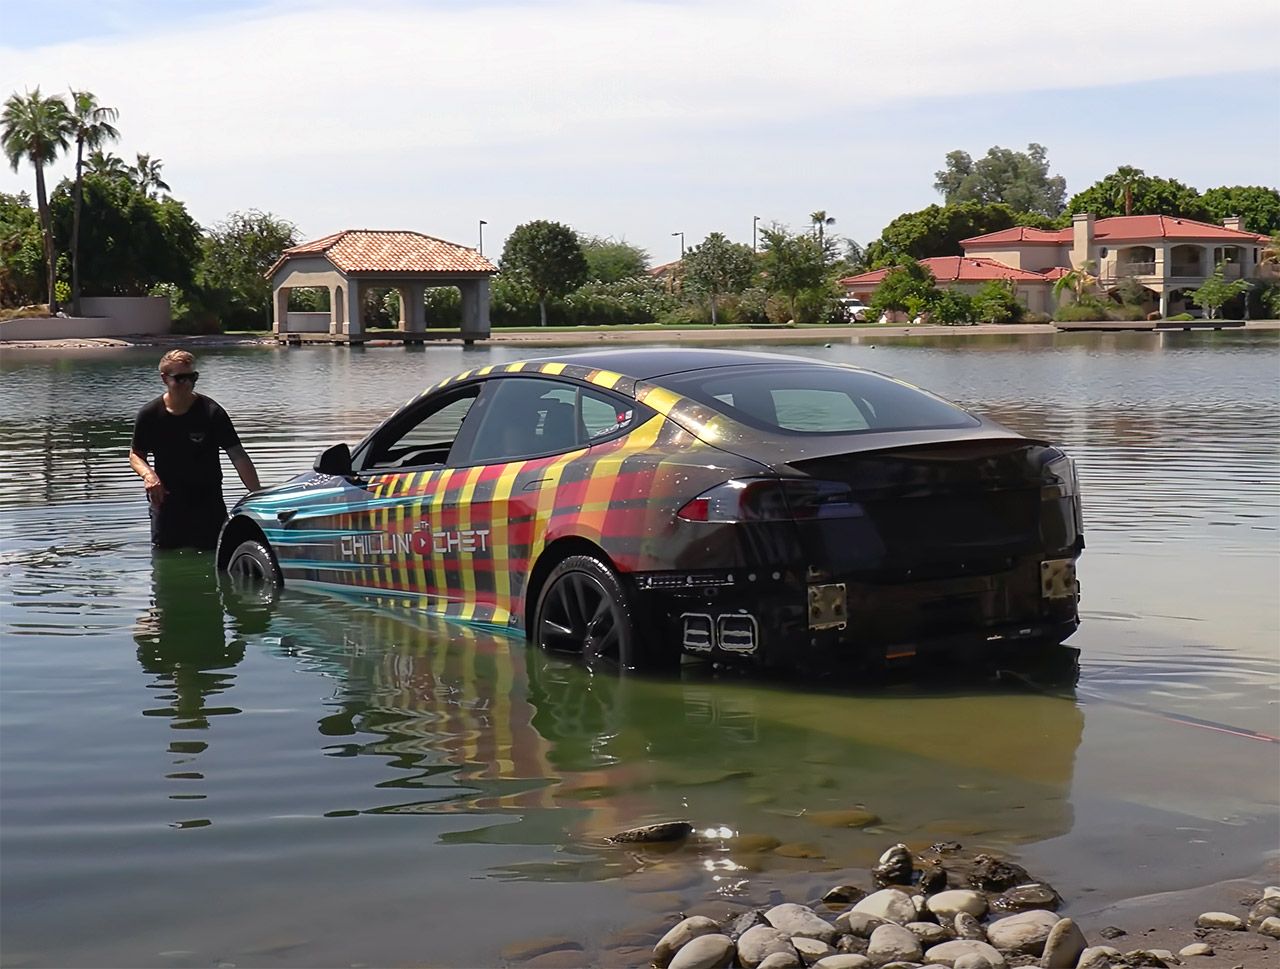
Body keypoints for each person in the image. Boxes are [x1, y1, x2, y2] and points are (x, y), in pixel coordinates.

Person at [129, 349, 262, 550]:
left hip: (208, 502)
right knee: (166, 561)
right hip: (167, 503)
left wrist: (257, 495)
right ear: (164, 379)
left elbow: (237, 455)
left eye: (193, 378)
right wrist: (149, 475)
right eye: (180, 378)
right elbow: (136, 455)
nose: (187, 384)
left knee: (214, 554)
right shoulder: (150, 415)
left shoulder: (211, 412)